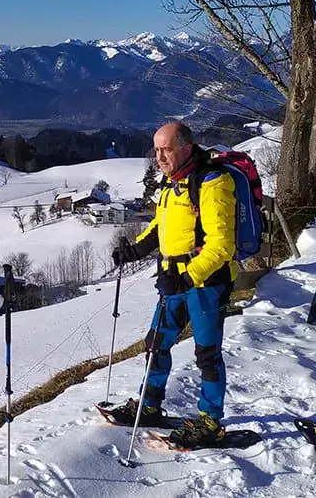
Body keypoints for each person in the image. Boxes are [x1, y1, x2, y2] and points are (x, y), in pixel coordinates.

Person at [108, 121, 238, 448]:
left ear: (185, 147)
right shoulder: (171, 182)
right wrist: (134, 249)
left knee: (207, 353)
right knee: (156, 344)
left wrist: (186, 277)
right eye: (156, 149)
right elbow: (160, 226)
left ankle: (210, 420)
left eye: (166, 149)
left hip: (205, 282)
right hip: (173, 280)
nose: (160, 157)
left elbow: (222, 246)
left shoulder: (212, 183)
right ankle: (149, 404)